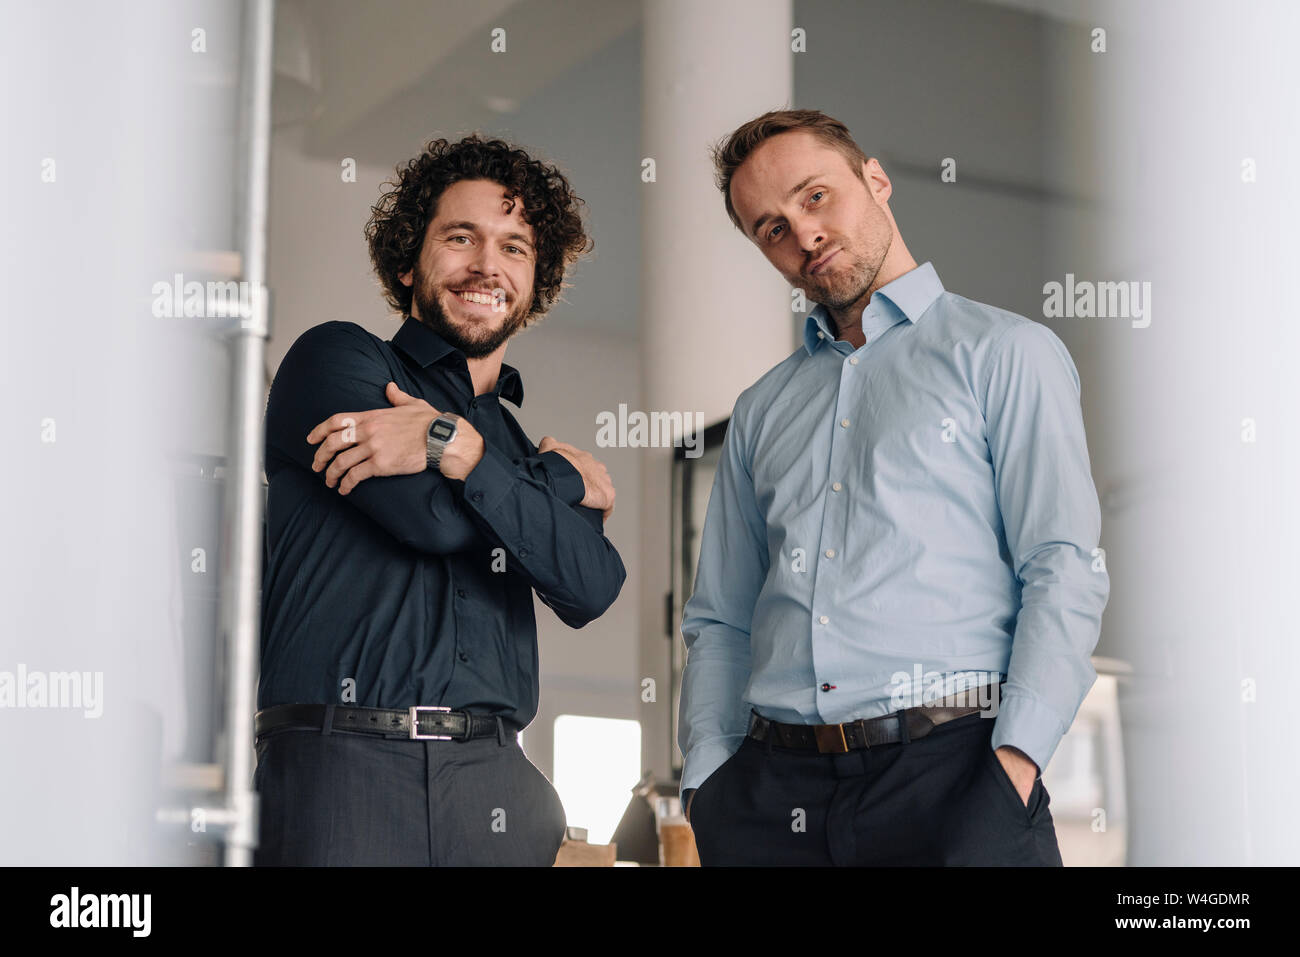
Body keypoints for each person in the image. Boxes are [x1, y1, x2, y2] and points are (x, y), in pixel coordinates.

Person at [678, 109, 1110, 866]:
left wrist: (1014, 767)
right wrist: (708, 782)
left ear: (875, 179)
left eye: (815, 197)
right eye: (771, 228)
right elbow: (721, 618)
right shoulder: (761, 410)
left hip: (956, 776)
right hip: (771, 801)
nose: (803, 234)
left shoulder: (1005, 354)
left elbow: (1063, 567)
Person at [254, 134, 625, 866]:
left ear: (535, 281)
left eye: (515, 247)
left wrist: (457, 449)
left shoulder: (515, 442)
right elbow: (424, 516)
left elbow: (592, 582)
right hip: (346, 771)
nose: (488, 265)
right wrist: (550, 486)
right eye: (462, 237)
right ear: (407, 261)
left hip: (497, 784)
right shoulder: (338, 362)